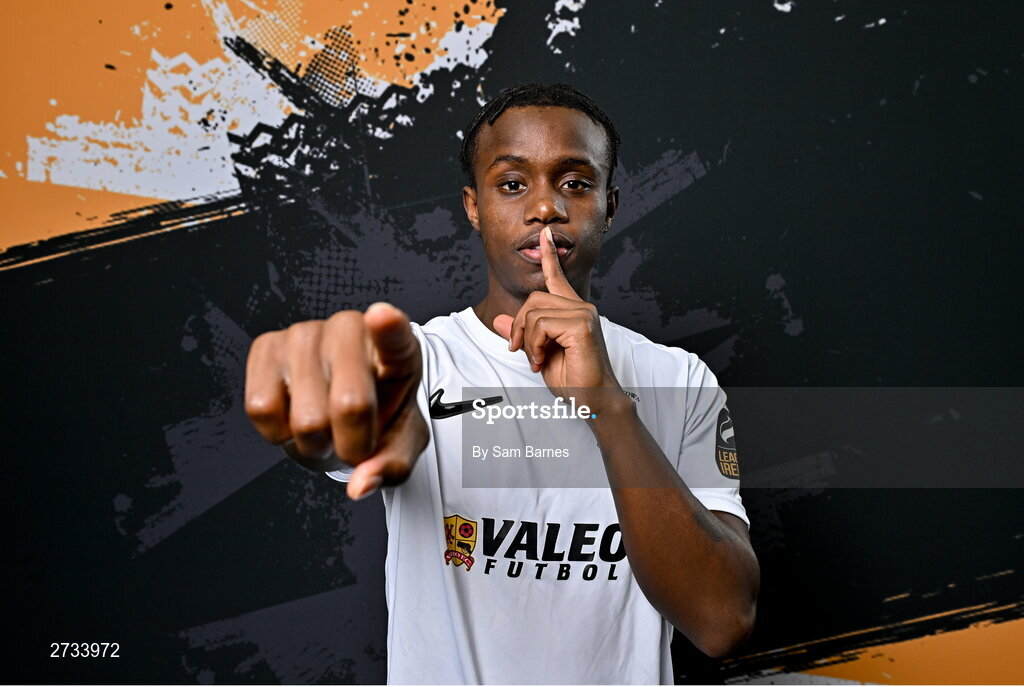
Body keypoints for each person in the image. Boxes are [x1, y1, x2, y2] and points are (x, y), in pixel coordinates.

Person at [244, 83, 759, 684]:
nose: (545, 208)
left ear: (610, 206)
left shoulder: (679, 380)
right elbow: (352, 425)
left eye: (575, 183)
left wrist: (606, 405)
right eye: (513, 184)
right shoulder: (421, 363)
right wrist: (324, 413)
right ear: (473, 205)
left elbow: (723, 620)